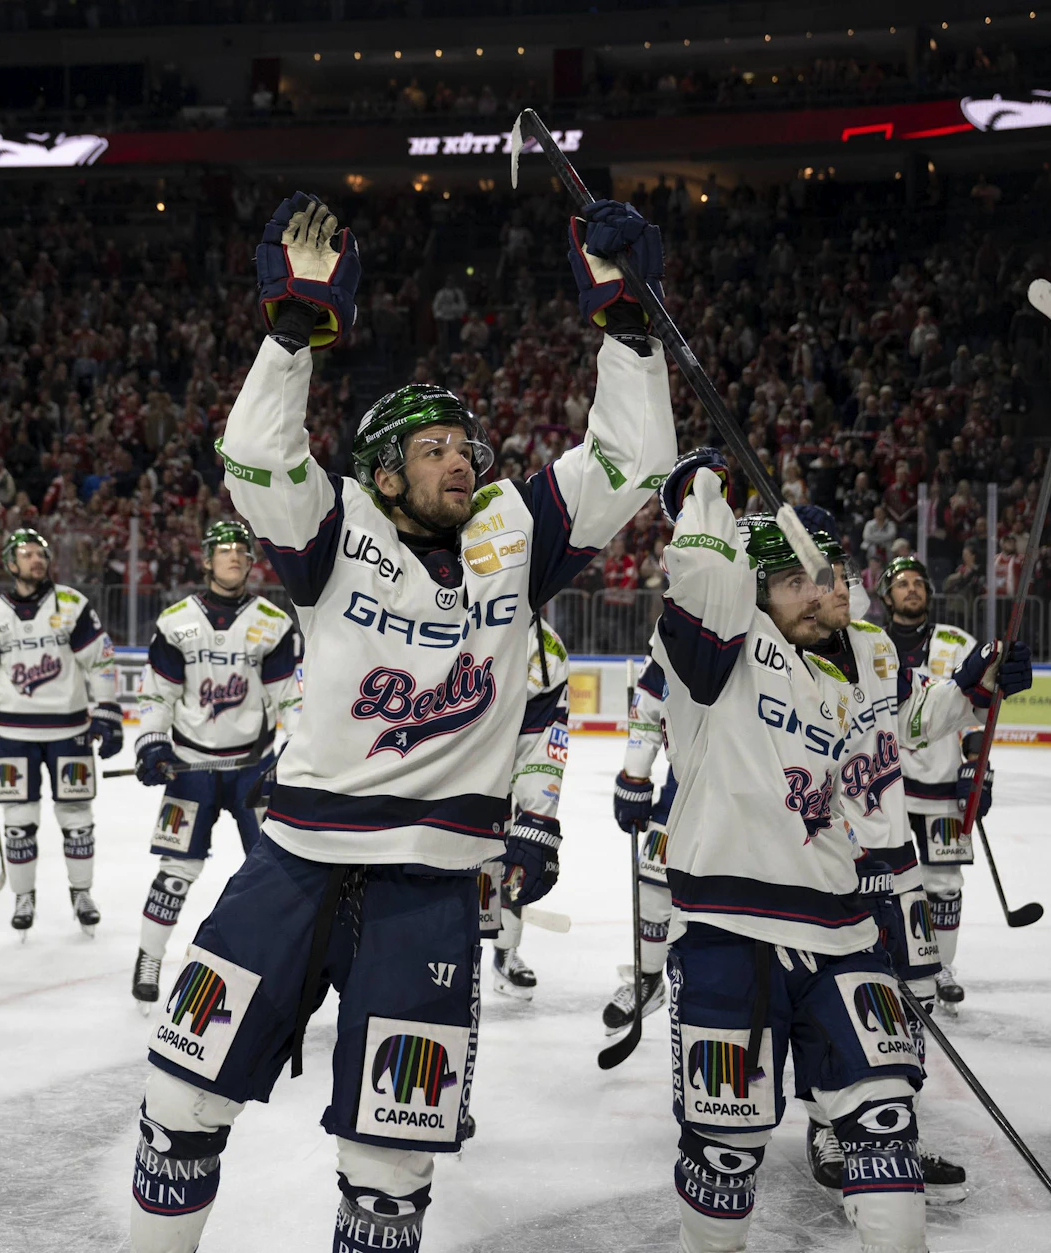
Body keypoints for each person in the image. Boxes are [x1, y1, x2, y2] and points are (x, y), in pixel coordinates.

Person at [128, 192, 674, 1253]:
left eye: (463, 445)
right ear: (384, 472)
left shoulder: (516, 532)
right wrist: (292, 333)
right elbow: (252, 456)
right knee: (182, 1099)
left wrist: (628, 324)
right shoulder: (335, 525)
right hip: (292, 863)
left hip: (430, 888)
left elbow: (629, 463)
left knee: (391, 1156)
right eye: (431, 449)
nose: (458, 460)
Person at [654, 462, 927, 1253]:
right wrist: (702, 503)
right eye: (796, 579)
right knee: (723, 1161)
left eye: (830, 576)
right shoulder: (718, 660)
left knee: (886, 1130)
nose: (822, 590)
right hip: (724, 938)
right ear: (753, 588)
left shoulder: (859, 664)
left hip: (844, 935)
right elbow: (705, 579)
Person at [801, 506, 1024, 1208]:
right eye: (818, 574)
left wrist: (975, 683)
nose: (835, 586)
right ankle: (827, 1125)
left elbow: (919, 716)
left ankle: (891, 1126)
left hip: (895, 862)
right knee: (832, 1001)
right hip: (825, 864)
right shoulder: (770, 660)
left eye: (840, 572)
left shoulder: (873, 648)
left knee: (913, 999)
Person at [130, 519, 302, 1007]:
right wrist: (150, 744)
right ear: (206, 560)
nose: (233, 557)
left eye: (241, 551)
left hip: (254, 770)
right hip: (191, 768)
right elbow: (156, 697)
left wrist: (297, 748)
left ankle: (271, 968)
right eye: (223, 550)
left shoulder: (272, 622)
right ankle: (149, 955)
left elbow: (290, 699)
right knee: (175, 871)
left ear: (251, 562)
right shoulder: (176, 621)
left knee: (275, 871)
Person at [0, 527, 119, 935]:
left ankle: (82, 892)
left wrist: (107, 710)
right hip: (13, 733)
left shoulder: (72, 604)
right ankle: (23, 895)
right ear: (11, 564)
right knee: (18, 820)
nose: (37, 560)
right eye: (28, 554)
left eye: (41, 553)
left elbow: (101, 662)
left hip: (70, 730)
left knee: (77, 819)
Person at [876, 555, 1010, 1008]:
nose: (912, 589)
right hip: (883, 787)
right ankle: (886, 958)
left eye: (919, 582)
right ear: (886, 595)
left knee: (944, 881)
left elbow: (979, 706)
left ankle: (940, 966)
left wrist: (977, 767)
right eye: (902, 583)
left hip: (940, 786)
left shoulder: (956, 644)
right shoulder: (867, 643)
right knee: (883, 880)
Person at [479, 619, 572, 1003]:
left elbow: (541, 742)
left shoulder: (544, 649)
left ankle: (504, 951)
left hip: (491, 773)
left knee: (511, 855)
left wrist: (536, 820)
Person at [607, 647, 677, 1031]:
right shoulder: (681, 621)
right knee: (654, 868)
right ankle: (649, 977)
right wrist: (635, 774)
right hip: (688, 780)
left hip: (763, 785)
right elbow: (650, 700)